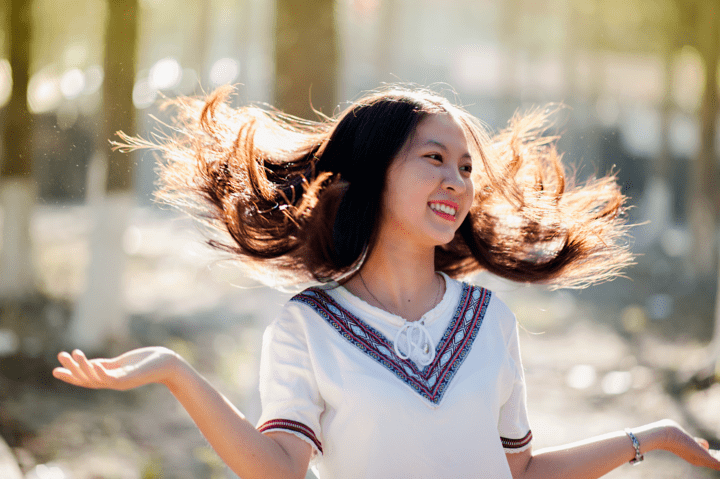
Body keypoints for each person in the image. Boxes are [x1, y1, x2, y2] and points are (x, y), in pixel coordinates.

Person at [54, 85, 720, 478]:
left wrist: (650, 437)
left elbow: (517, 469)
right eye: (434, 159)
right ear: (374, 174)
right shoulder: (308, 325)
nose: (456, 181)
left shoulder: (489, 319)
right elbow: (280, 468)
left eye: (464, 167)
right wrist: (176, 371)